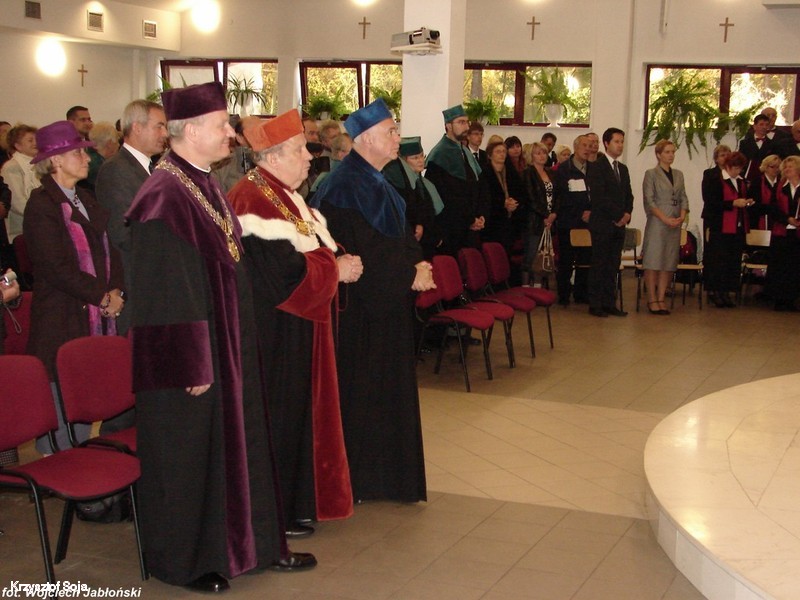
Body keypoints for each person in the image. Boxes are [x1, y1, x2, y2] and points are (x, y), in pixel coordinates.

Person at [125, 82, 315, 593]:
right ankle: (185, 561)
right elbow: (165, 289)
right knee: (188, 458)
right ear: (190, 132)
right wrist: (192, 362)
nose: (232, 133)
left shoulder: (201, 182)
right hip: (190, 360)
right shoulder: (162, 196)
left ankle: (252, 545)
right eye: (222, 125)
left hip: (225, 347)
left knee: (236, 449)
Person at [228, 109, 359, 536]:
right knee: (279, 419)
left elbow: (317, 246)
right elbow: (281, 274)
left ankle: (297, 501)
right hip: (275, 332)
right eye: (301, 149)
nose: (309, 157)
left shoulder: (284, 193)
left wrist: (340, 259)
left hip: (300, 329)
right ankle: (275, 512)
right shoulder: (252, 198)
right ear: (273, 155)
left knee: (298, 418)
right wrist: (335, 269)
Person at [312, 98, 435, 503]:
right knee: (364, 395)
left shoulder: (379, 180)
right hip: (362, 311)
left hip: (387, 304)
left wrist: (419, 265)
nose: (398, 138)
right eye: (391, 131)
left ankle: (388, 478)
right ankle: (363, 480)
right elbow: (362, 250)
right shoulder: (343, 185)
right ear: (365, 138)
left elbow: (401, 239)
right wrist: (408, 274)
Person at [24, 120, 125, 452]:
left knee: (84, 390)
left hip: (93, 310)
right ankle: (58, 462)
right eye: (77, 153)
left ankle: (80, 459)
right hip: (63, 314)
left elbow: (112, 250)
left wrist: (116, 291)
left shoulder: (85, 198)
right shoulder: (42, 205)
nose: (86, 159)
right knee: (61, 396)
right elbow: (55, 267)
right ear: (55, 160)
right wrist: (101, 296)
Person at [95, 99, 167, 335]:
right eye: (159, 126)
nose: (164, 134)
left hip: (152, 276)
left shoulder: (148, 167)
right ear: (136, 127)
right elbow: (123, 234)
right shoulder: (117, 169)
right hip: (136, 279)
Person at [426, 105, 488, 255]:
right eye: (461, 122)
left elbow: (478, 187)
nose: (466, 126)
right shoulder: (439, 155)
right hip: (452, 229)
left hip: (471, 227)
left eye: (467, 122)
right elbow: (446, 196)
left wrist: (480, 215)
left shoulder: (465, 152)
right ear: (448, 126)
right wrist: (469, 220)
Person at [587, 128, 633, 318]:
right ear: (606, 143)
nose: (620, 145)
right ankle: (595, 304)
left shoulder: (622, 168)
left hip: (619, 225)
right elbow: (600, 197)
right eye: (616, 141)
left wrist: (627, 214)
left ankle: (609, 302)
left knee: (613, 265)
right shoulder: (597, 167)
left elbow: (628, 195)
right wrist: (618, 215)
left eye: (622, 142)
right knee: (599, 264)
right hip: (603, 223)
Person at [641, 140, 689, 315]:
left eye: (673, 152)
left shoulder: (678, 174)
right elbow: (649, 200)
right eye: (667, 152)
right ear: (659, 154)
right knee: (653, 261)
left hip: (675, 223)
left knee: (668, 262)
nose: (671, 155)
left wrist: (681, 216)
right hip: (658, 222)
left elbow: (683, 197)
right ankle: (652, 298)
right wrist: (665, 218)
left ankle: (661, 298)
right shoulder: (651, 174)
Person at [702, 150, 753, 308]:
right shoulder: (715, 179)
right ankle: (716, 292)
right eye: (735, 168)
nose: (738, 171)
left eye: (740, 169)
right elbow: (711, 202)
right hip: (719, 226)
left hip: (736, 226)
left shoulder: (740, 181)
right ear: (728, 166)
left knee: (732, 260)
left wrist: (747, 202)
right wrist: (733, 203)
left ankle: (726, 292)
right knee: (719, 260)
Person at [383, 136, 443, 260]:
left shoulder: (424, 183)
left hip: (429, 243)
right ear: (404, 161)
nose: (421, 161)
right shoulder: (400, 183)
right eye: (415, 158)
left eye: (422, 156)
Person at [553, 135, 592, 305]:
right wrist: (579, 213)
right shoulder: (564, 169)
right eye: (584, 145)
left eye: (589, 146)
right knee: (566, 261)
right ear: (575, 147)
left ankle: (581, 293)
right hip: (568, 222)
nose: (587, 149)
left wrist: (591, 211)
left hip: (588, 223)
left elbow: (598, 194)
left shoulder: (594, 169)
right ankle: (563, 295)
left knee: (585, 260)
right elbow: (561, 197)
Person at [764, 156, 800, 311]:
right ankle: (779, 299)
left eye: (790, 166)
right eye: (785, 167)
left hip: (797, 234)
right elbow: (773, 209)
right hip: (782, 232)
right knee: (781, 266)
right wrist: (787, 219)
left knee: (795, 267)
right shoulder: (779, 187)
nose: (787, 169)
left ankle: (792, 299)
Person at [482, 139, 527, 252]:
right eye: (498, 152)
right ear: (490, 155)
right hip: (493, 221)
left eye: (503, 151)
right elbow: (485, 196)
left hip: (510, 221)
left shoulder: (511, 172)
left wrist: (514, 203)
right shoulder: (485, 173)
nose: (502, 154)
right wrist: (503, 203)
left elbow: (521, 192)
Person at [522, 142, 557, 286]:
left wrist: (553, 214)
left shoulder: (551, 173)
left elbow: (558, 195)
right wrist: (544, 215)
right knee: (531, 255)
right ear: (531, 156)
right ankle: (525, 286)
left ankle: (538, 285)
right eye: (538, 153)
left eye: (544, 152)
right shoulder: (528, 173)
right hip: (534, 220)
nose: (542, 156)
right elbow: (530, 198)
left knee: (544, 255)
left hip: (550, 220)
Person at [0, 124, 38, 242]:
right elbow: (17, 202)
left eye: (36, 139)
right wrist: (42, 214)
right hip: (23, 227)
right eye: (30, 140)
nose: (35, 143)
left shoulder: (40, 164)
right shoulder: (11, 167)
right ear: (18, 146)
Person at [83, 121, 120, 191]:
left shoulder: (89, 160)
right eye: (117, 141)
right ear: (109, 144)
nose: (118, 145)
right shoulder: (101, 168)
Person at [738, 114, 775, 182]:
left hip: (765, 179)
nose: (764, 127)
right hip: (747, 178)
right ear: (754, 126)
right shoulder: (744, 143)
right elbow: (740, 161)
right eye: (761, 124)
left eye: (766, 125)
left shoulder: (773, 144)